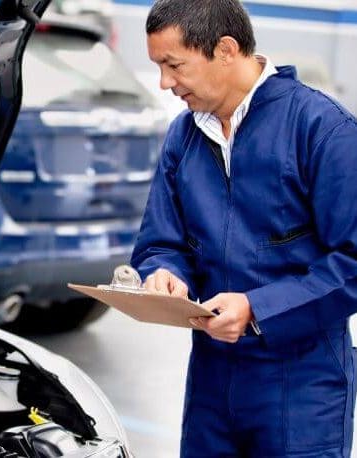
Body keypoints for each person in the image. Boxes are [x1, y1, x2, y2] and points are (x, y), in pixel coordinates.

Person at [131, 0, 357, 456]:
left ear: (227, 49)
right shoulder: (184, 135)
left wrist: (257, 308)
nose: (164, 83)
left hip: (302, 384)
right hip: (212, 380)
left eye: (174, 65)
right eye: (158, 67)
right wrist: (165, 272)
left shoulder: (323, 130)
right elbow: (161, 240)